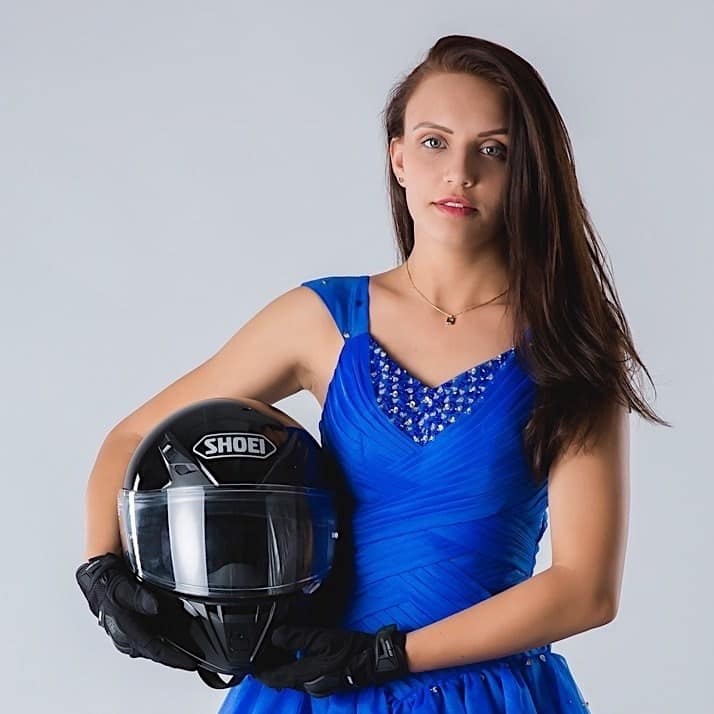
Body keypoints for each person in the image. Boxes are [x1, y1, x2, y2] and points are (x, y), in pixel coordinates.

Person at [78, 34, 669, 712]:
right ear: (397, 157)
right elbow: (132, 441)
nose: (460, 173)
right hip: (314, 689)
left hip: (484, 697)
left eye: (493, 150)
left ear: (526, 169)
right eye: (433, 142)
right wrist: (102, 571)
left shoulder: (571, 344)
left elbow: (585, 588)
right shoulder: (324, 318)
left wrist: (386, 656)